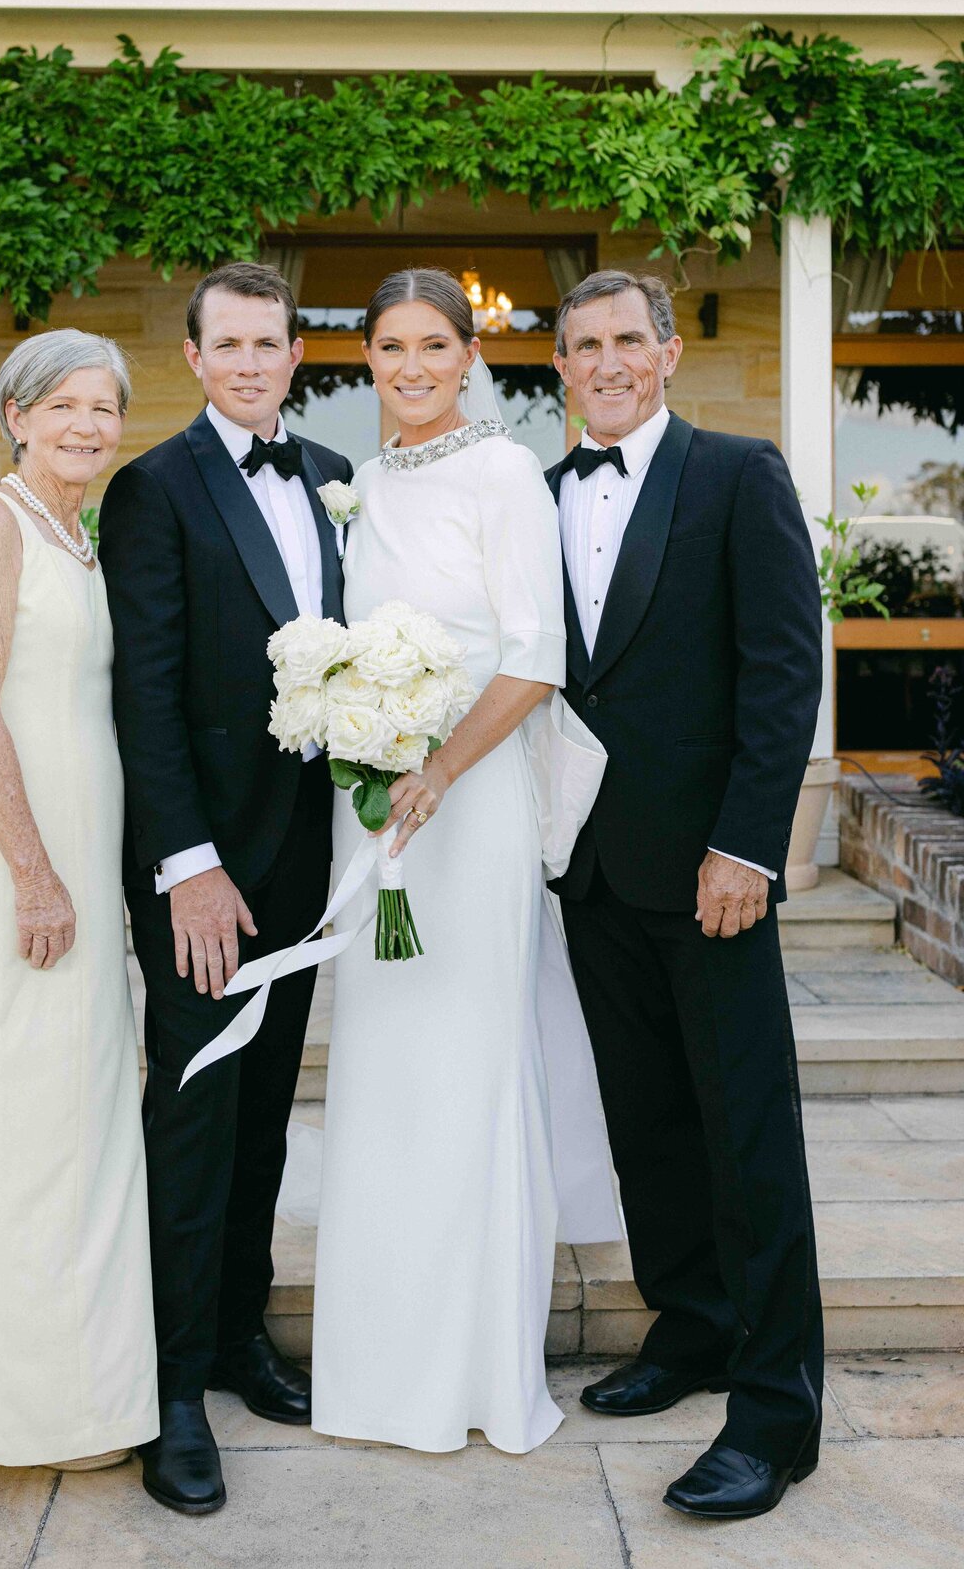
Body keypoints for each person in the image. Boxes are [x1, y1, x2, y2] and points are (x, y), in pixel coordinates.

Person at [310, 267, 620, 1454]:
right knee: (386, 1072)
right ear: (368, 359)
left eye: (434, 343)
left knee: (470, 1063)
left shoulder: (504, 473)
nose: (411, 365)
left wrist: (440, 768)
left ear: (467, 350)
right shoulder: (367, 485)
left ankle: (476, 1369)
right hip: (378, 809)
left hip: (471, 809)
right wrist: (365, 743)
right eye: (389, 345)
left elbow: (534, 657)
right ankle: (381, 1367)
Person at [548, 269, 824, 1521]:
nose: (604, 360)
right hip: (590, 868)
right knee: (646, 1119)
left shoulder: (737, 472)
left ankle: (775, 1411)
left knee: (746, 1134)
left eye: (624, 338)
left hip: (712, 869)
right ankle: (693, 1324)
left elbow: (780, 668)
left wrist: (748, 845)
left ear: (666, 352)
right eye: (580, 344)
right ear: (557, 365)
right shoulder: (542, 495)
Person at [99, 261, 353, 1516]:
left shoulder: (326, 479)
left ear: (297, 353)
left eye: (271, 342)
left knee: (262, 1113)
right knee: (193, 1116)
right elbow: (142, 693)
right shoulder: (152, 488)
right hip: (204, 872)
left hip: (308, 861)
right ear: (194, 359)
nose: (252, 362)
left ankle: (244, 1334)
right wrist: (185, 867)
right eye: (229, 345)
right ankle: (174, 1385)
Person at [0, 329, 157, 1469]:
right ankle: (14, 1408)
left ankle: (89, 1397)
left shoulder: (82, 536)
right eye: (63, 404)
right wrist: (34, 871)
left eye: (104, 408)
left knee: (86, 1121)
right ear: (15, 413)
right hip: (24, 867)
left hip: (86, 856)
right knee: (23, 1129)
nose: (87, 426)